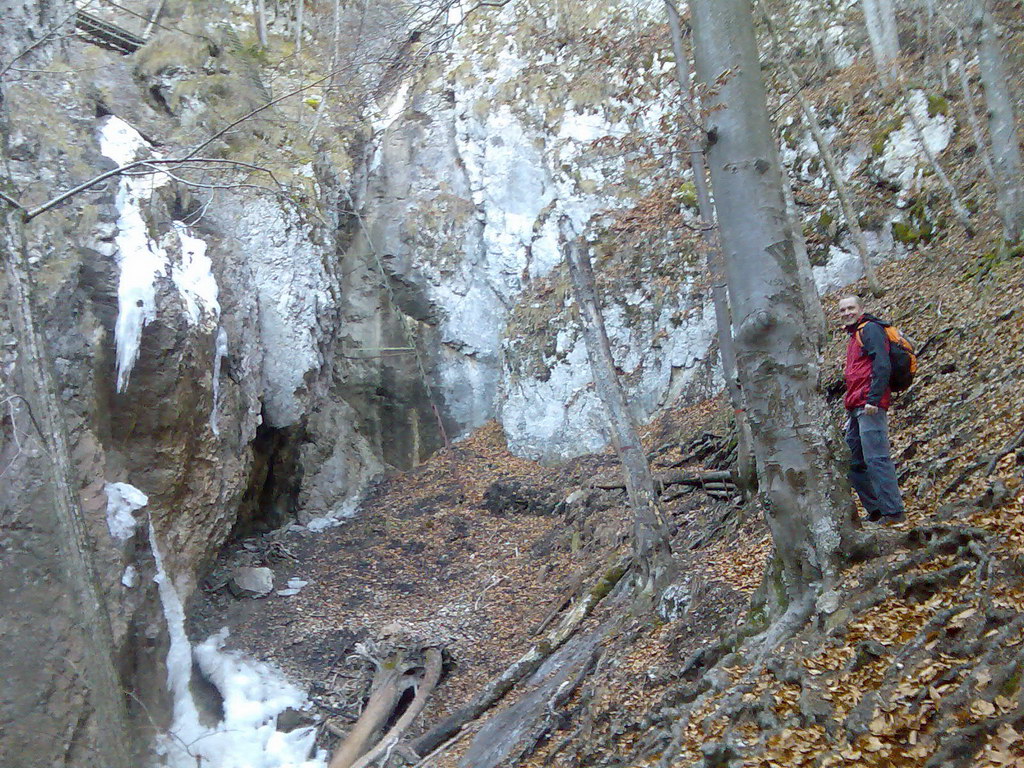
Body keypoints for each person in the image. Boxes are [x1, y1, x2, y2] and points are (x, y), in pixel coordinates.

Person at [838, 295, 905, 523]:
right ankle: (876, 510)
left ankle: (893, 512)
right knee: (852, 461)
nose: (847, 312)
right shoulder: (855, 334)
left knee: (876, 459)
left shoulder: (871, 330)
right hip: (856, 405)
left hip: (870, 405)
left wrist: (874, 399)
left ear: (861, 309)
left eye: (851, 308)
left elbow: (882, 364)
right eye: (843, 310)